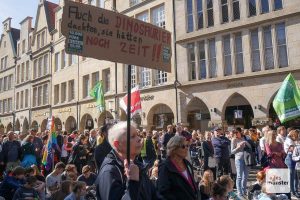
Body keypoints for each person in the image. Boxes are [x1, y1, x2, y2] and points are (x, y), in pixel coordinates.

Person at [95, 121, 157, 200]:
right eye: (132, 136)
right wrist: (133, 181)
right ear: (118, 144)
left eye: (137, 135)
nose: (139, 139)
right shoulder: (109, 172)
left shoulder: (138, 166)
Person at [157, 135, 199, 200]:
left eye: (187, 145)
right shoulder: (165, 167)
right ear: (174, 149)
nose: (186, 148)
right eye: (183, 146)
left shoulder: (187, 164)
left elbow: (192, 186)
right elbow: (163, 193)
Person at [231, 127, 251, 199]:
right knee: (239, 176)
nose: (236, 134)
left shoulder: (245, 137)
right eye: (234, 133)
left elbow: (250, 147)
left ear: (240, 132)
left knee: (245, 176)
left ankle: (244, 190)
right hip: (238, 159)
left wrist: (246, 142)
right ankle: (239, 193)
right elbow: (232, 151)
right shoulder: (234, 140)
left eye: (237, 132)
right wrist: (238, 147)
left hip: (246, 159)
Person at [283, 129, 300, 197]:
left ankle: (295, 190)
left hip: (294, 157)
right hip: (290, 158)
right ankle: (292, 191)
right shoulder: (289, 140)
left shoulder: (292, 140)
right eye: (296, 135)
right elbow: (293, 149)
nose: (298, 137)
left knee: (296, 176)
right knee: (291, 176)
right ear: (293, 135)